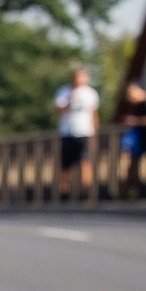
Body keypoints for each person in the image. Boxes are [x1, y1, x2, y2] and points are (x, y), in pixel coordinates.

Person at [55, 68, 99, 197]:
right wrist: (70, 99)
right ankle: (64, 191)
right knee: (65, 163)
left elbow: (94, 114)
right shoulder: (64, 92)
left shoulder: (90, 93)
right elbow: (57, 111)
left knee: (85, 161)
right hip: (67, 132)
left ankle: (86, 192)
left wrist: (95, 131)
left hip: (84, 131)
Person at [119, 81, 146, 197]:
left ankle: (143, 191)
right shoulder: (136, 106)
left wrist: (136, 121)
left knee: (144, 167)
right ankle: (130, 191)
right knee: (131, 164)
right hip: (138, 141)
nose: (129, 96)